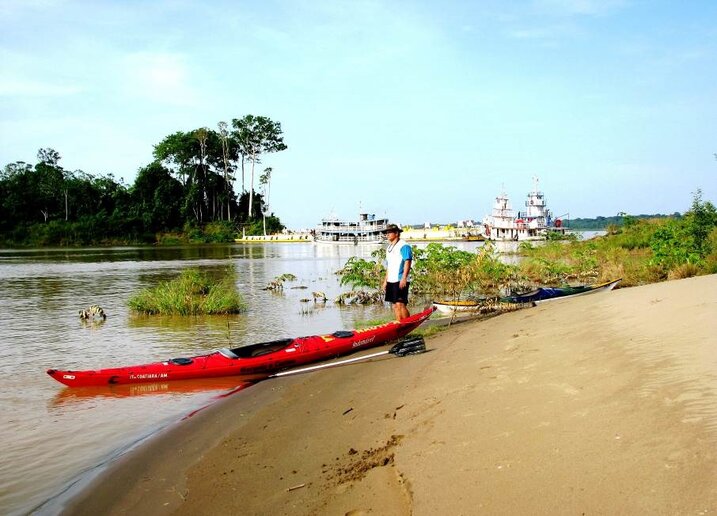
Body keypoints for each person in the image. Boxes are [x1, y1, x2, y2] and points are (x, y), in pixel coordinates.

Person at [381, 224, 412, 321]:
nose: (387, 234)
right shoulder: (389, 248)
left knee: (400, 304)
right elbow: (389, 266)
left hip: (400, 279)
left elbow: (408, 261)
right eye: (387, 233)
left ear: (397, 233)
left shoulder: (404, 246)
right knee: (395, 305)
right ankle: (399, 326)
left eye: (390, 232)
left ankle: (407, 325)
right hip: (391, 279)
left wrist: (404, 278)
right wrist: (385, 281)